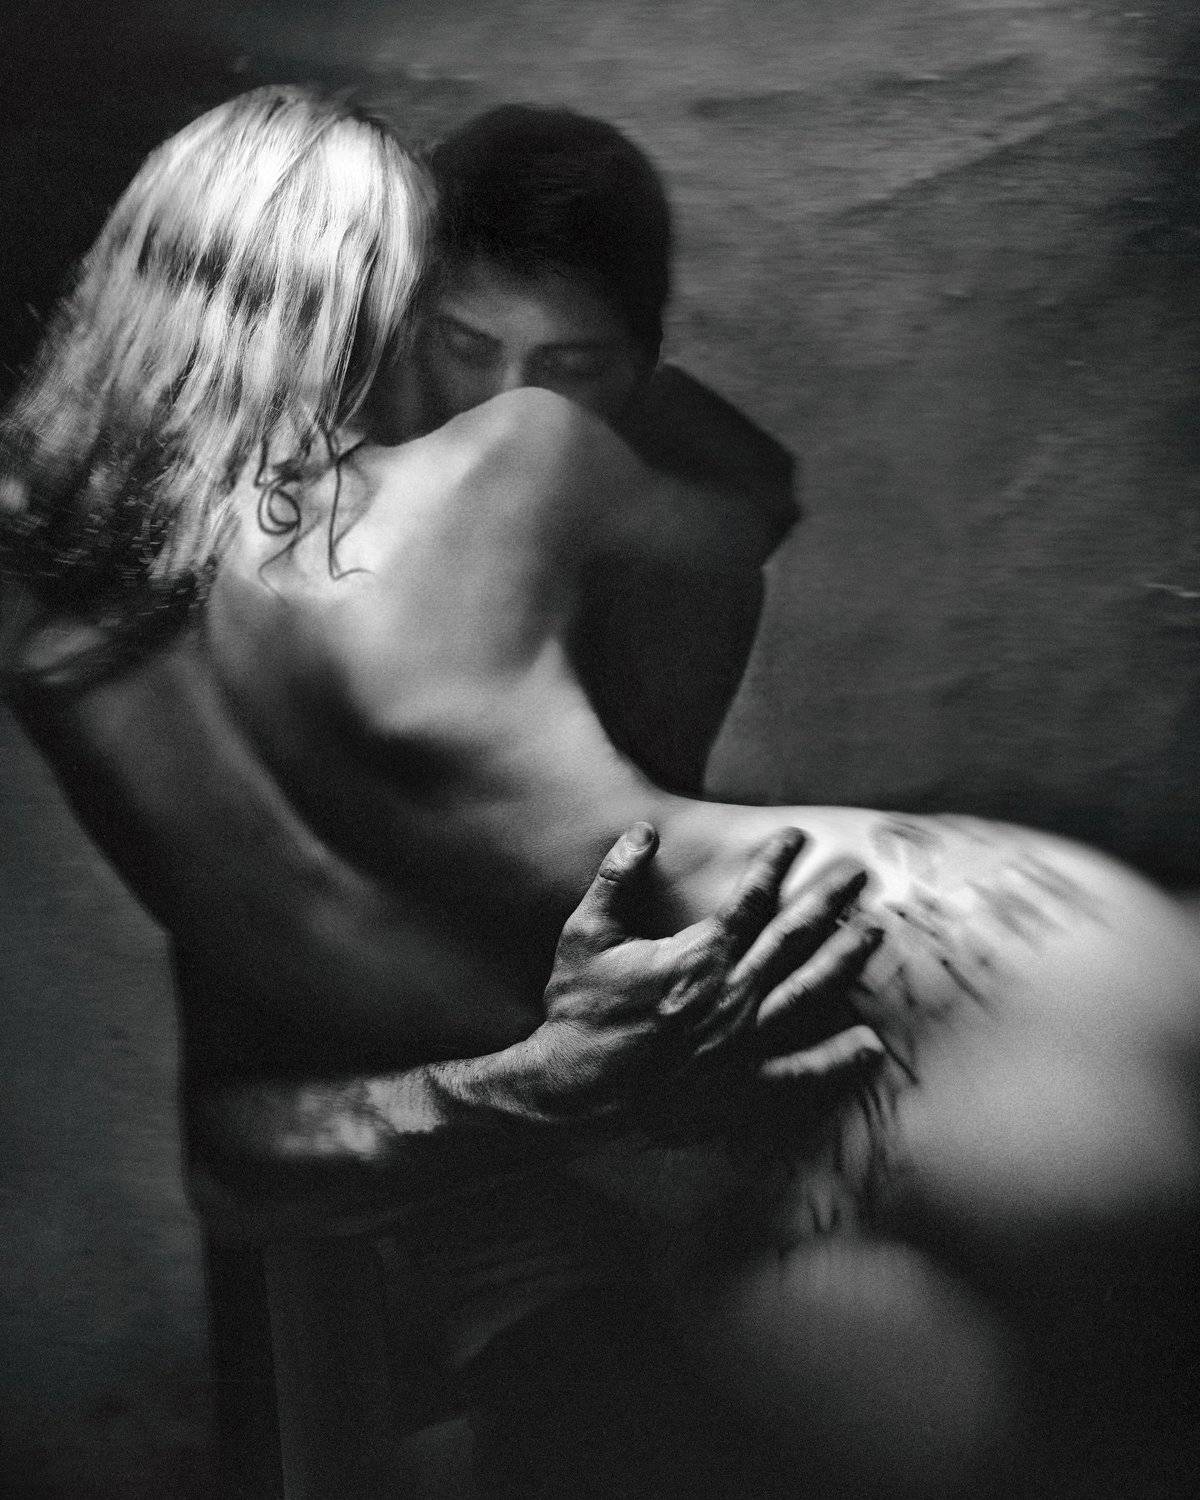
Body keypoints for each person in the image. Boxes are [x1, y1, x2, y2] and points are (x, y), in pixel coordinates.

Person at [3, 88, 1198, 1496]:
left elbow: (242, 1158)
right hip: (934, 967)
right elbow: (748, 504)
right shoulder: (519, 458)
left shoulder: (71, 673)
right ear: (376, 315)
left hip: (742, 1118)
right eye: (443, 333)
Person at [416, 101, 799, 790]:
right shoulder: (341, 440)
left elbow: (750, 501)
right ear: (411, 325)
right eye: (467, 348)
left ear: (643, 364)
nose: (512, 404)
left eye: (570, 368)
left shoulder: (687, 506)